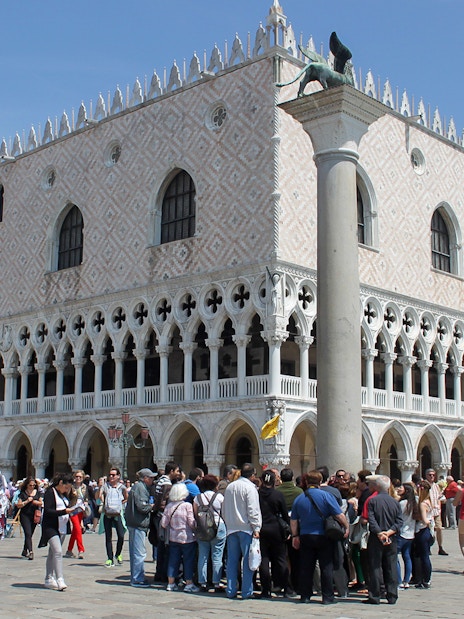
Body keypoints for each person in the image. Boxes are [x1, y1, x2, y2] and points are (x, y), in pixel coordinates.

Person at [290, 470, 348, 605]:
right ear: (320, 482)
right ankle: (327, 597)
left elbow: (293, 521)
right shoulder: (326, 496)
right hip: (324, 535)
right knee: (326, 566)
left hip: (306, 535)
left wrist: (295, 536)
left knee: (306, 567)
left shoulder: (300, 498)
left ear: (306, 482)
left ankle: (305, 595)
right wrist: (346, 527)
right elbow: (339, 515)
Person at [222, 462, 262, 600]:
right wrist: (256, 527)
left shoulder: (230, 487)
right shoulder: (250, 488)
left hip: (231, 528)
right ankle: (246, 591)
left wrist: (228, 522)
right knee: (248, 560)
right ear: (252, 475)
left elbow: (224, 508)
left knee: (232, 560)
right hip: (246, 528)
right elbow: (253, 509)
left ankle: (231, 589)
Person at [364, 475, 403, 606]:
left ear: (376, 486)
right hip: (391, 537)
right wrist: (389, 532)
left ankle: (375, 595)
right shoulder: (395, 502)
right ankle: (392, 595)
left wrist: (380, 533)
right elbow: (399, 522)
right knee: (391, 566)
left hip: (377, 537)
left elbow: (371, 519)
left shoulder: (373, 501)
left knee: (375, 566)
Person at [258, 470, 295, 598]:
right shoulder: (278, 495)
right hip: (276, 529)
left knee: (263, 560)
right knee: (280, 559)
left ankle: (265, 590)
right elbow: (284, 514)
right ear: (274, 481)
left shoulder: (257, 494)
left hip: (261, 529)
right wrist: (288, 529)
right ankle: (286, 587)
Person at [39, 472, 75, 591]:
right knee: (58, 552)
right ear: (60, 483)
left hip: (62, 527)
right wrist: (65, 511)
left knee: (52, 552)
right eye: (66, 487)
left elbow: (67, 506)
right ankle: (60, 579)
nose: (67, 490)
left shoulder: (63, 495)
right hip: (51, 526)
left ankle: (48, 578)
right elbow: (49, 511)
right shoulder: (50, 492)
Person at [161, 482, 199, 592]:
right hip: (187, 538)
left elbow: (164, 523)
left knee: (173, 560)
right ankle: (189, 583)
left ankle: (171, 583)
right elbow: (191, 522)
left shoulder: (169, 506)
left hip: (173, 538)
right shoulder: (187, 506)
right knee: (188, 560)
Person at [193, 474, 226, 592]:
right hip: (218, 526)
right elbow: (224, 513)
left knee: (203, 555)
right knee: (217, 556)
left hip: (203, 527)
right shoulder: (220, 497)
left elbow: (195, 514)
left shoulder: (198, 498)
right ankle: (216, 583)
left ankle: (202, 582)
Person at [124, 468, 157, 587]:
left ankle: (135, 577)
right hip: (138, 523)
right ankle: (137, 578)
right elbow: (142, 507)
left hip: (134, 523)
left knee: (135, 552)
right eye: (151, 477)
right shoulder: (140, 488)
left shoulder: (139, 487)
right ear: (145, 478)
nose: (153, 480)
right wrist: (152, 506)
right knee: (139, 552)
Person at [153, 461, 181, 584]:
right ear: (171, 471)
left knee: (161, 546)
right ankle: (162, 574)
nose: (178, 473)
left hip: (158, 516)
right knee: (164, 546)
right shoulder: (166, 483)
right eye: (177, 471)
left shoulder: (161, 480)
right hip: (162, 517)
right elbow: (163, 502)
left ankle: (159, 572)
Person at [95, 467, 128, 567]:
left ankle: (118, 554)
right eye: (110, 475)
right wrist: (100, 488)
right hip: (107, 514)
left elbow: (126, 497)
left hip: (118, 514)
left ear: (118, 476)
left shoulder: (122, 487)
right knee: (108, 537)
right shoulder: (105, 486)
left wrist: (119, 505)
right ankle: (110, 558)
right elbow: (98, 497)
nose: (111, 477)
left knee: (121, 536)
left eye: (113, 475)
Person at [397, 482, 419, 589]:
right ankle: (406, 580)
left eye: (401, 487)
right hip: (411, 534)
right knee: (407, 557)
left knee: (394, 556)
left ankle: (398, 580)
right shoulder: (414, 503)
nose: (399, 488)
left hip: (401, 533)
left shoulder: (403, 504)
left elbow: (397, 517)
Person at [16, 476, 43, 559]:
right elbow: (19, 505)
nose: (32, 487)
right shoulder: (23, 493)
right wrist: (27, 501)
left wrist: (35, 502)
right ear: (27, 485)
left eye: (34, 485)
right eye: (30, 485)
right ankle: (31, 551)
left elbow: (41, 503)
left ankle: (25, 550)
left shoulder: (38, 493)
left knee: (30, 534)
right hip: (25, 515)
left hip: (34, 515)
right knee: (27, 533)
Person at [65, 470, 89, 560]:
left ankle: (69, 550)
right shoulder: (71, 487)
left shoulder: (84, 487)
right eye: (76, 477)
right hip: (72, 509)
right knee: (78, 528)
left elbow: (86, 497)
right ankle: (81, 550)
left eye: (80, 477)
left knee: (75, 530)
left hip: (81, 509)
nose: (78, 478)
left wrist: (86, 502)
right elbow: (67, 497)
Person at [415, 480, 434, 589]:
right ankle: (426, 578)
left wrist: (417, 517)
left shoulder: (422, 504)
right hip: (427, 531)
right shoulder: (429, 501)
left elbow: (424, 519)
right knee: (424, 555)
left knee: (424, 556)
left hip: (422, 530)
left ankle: (426, 579)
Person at [425, 468, 447, 555]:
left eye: (433, 475)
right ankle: (428, 546)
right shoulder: (424, 485)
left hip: (436, 511)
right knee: (429, 530)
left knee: (439, 528)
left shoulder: (436, 486)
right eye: (430, 475)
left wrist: (439, 505)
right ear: (426, 475)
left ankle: (440, 547)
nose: (432, 476)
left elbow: (439, 497)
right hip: (427, 511)